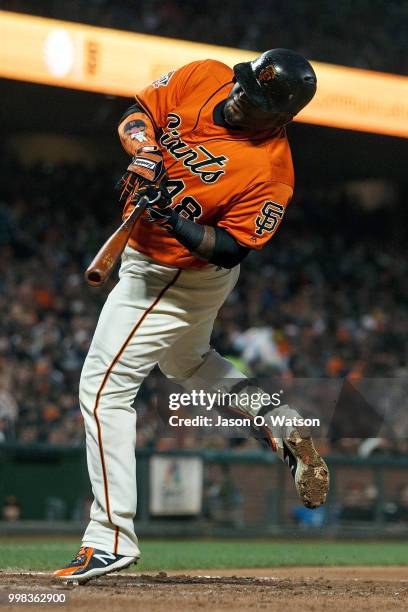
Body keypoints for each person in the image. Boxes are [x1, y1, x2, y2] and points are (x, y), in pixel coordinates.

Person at [54, 48, 329, 582]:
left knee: (103, 389)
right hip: (149, 258)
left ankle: (110, 537)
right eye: (245, 85)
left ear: (281, 118)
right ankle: (279, 421)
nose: (241, 97)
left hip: (176, 274)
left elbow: (229, 248)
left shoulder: (271, 170)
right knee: (188, 363)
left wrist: (173, 216)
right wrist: (142, 151)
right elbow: (139, 112)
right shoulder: (205, 75)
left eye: (257, 101)